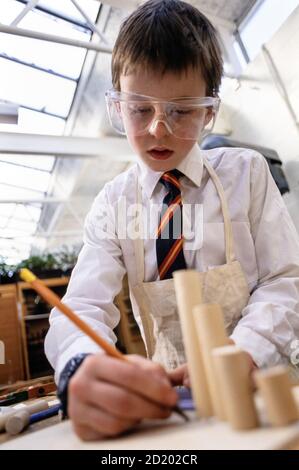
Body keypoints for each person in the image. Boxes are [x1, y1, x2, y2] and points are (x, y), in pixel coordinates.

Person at [45, 0, 299, 441]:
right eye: (140, 109)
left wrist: (244, 351)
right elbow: (82, 307)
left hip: (262, 392)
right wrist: (80, 363)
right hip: (171, 410)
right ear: (117, 104)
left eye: (181, 110)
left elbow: (285, 279)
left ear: (209, 111)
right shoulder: (112, 203)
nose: (159, 130)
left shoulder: (247, 173)